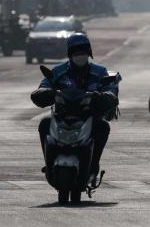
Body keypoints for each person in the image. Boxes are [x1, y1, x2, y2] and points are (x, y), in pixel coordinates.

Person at [30, 33, 118, 185]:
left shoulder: (99, 72)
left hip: (89, 117)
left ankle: (93, 164)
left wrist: (101, 96)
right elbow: (43, 86)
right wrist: (47, 93)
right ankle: (49, 164)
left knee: (103, 126)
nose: (80, 56)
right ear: (70, 54)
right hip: (62, 117)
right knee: (44, 123)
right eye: (76, 53)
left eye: (83, 52)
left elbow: (110, 90)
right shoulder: (58, 71)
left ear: (89, 53)